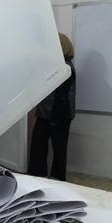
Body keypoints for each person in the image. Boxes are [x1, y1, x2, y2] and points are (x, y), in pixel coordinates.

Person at [27, 33, 76, 181]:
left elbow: (62, 96)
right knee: (38, 145)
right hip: (44, 113)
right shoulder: (53, 66)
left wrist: (55, 118)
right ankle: (37, 174)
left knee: (59, 148)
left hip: (59, 115)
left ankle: (58, 177)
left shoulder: (66, 67)